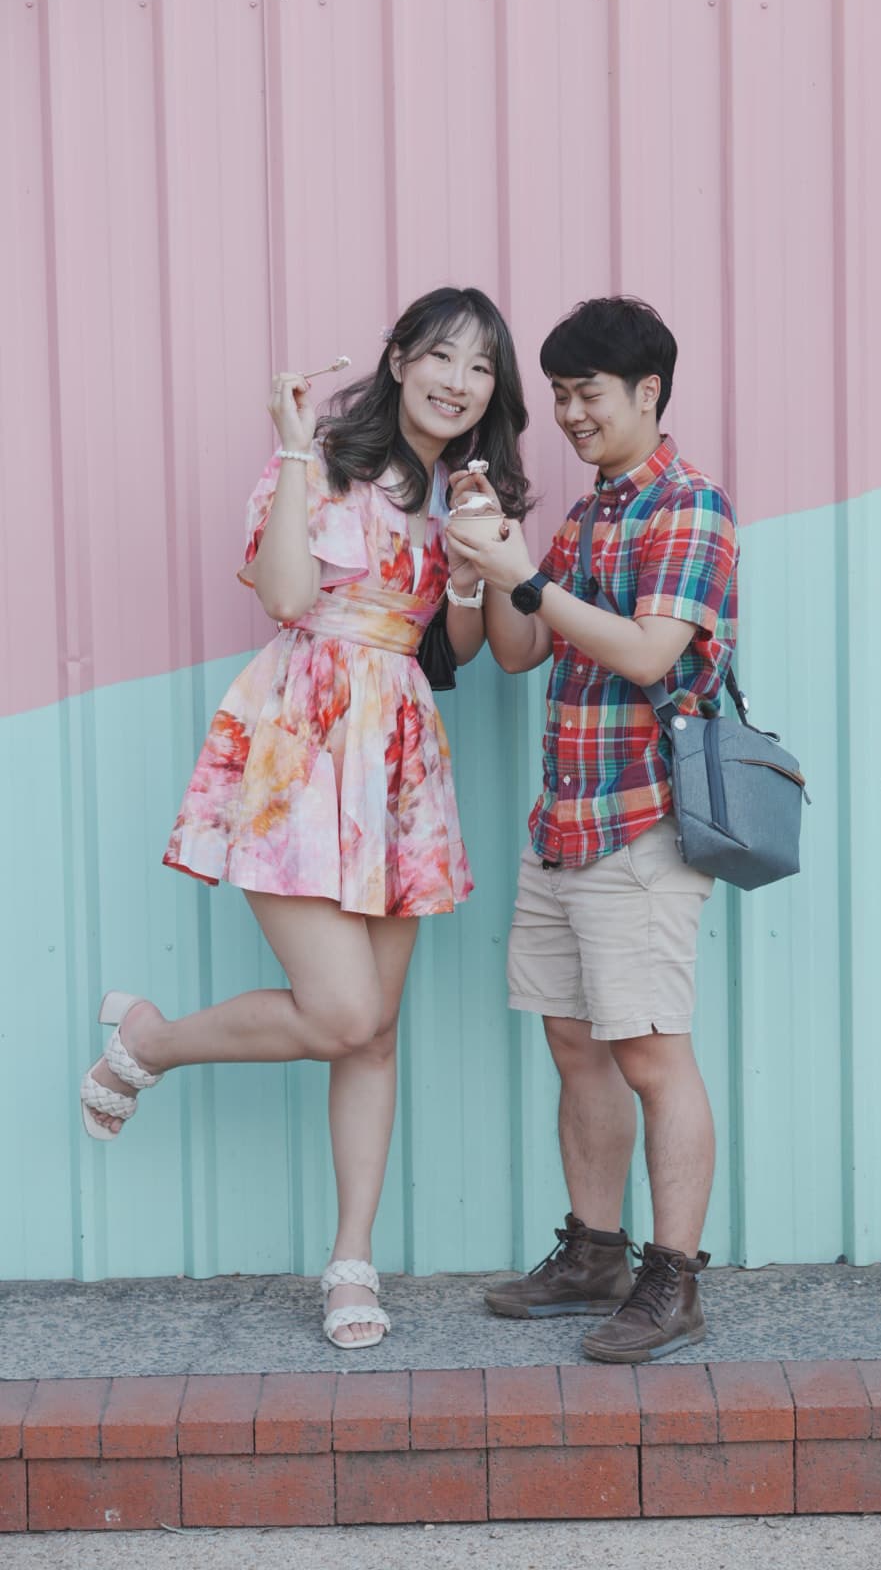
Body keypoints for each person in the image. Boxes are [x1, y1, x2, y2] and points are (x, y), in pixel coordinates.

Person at [79, 286, 529, 1350]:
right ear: (399, 357)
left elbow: (451, 652)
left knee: (373, 1031)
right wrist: (289, 447)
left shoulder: (469, 489)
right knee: (340, 1011)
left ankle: (350, 1260)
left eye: (478, 367)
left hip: (399, 755)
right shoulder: (325, 459)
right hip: (303, 737)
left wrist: (470, 568)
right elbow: (285, 597)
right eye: (440, 356)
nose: (457, 381)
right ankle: (153, 1040)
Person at [448, 296, 737, 1363]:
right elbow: (523, 653)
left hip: (645, 826)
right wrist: (482, 560)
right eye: (558, 393)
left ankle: (675, 1278)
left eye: (587, 392)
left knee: (653, 1052)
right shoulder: (585, 516)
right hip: (562, 821)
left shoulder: (689, 508)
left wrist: (528, 572)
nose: (568, 412)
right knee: (574, 1039)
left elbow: (651, 653)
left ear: (648, 393)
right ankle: (595, 1253)